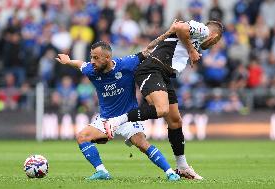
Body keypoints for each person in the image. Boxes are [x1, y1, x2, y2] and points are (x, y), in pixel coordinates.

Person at [55, 21, 181, 181]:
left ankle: (170, 173)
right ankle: (102, 172)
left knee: (142, 144)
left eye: (96, 57)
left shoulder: (126, 65)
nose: (92, 61)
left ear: (107, 58)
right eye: (91, 57)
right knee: (82, 136)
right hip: (106, 118)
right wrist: (68, 61)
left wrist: (168, 32)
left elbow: (148, 50)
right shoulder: (91, 70)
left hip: (129, 116)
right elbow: (80, 64)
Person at [105, 19, 224, 180]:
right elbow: (181, 27)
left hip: (164, 74)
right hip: (152, 68)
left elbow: (177, 30)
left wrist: (188, 47)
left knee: (175, 121)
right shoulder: (202, 30)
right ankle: (117, 121)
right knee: (162, 109)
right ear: (215, 36)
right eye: (216, 42)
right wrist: (191, 50)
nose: (213, 45)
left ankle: (182, 167)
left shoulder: (195, 37)